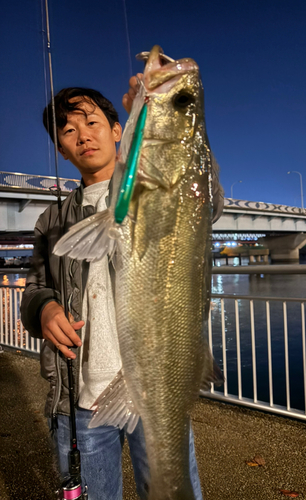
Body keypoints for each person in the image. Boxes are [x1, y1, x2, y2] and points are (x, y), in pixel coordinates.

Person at [21, 71, 224, 500]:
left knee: (173, 489)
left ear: (119, 131)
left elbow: (205, 195)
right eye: (69, 131)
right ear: (61, 149)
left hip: (156, 387)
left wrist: (153, 114)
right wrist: (43, 309)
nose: (83, 136)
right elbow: (35, 286)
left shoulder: (156, 186)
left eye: (92, 123)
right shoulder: (51, 221)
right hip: (80, 397)